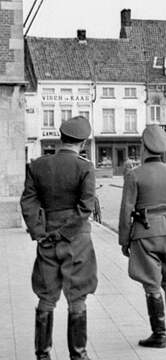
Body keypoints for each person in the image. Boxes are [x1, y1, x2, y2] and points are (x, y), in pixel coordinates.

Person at [20, 116, 97, 360]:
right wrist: (64, 233)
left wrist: (39, 232)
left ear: (60, 138)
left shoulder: (37, 166)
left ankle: (42, 355)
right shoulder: (85, 168)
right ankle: (78, 355)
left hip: (47, 240)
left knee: (46, 296)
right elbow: (85, 208)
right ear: (82, 143)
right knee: (77, 296)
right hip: (77, 240)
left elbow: (28, 202)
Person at [118, 125, 166, 348]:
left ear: (144, 147)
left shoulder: (134, 175)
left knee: (151, 284)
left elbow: (126, 211)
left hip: (145, 232)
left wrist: (124, 240)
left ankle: (159, 334)